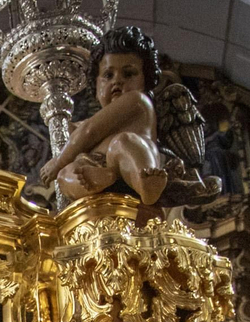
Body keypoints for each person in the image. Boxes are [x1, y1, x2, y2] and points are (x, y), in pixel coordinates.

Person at [39, 26, 167, 206]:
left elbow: (90, 131)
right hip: (98, 171)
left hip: (130, 160)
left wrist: (58, 162)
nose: (117, 80)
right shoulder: (82, 125)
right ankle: (100, 180)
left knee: (122, 142)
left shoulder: (137, 100)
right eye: (108, 75)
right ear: (96, 85)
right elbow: (81, 133)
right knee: (65, 176)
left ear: (145, 80)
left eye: (129, 74)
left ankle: (146, 184)